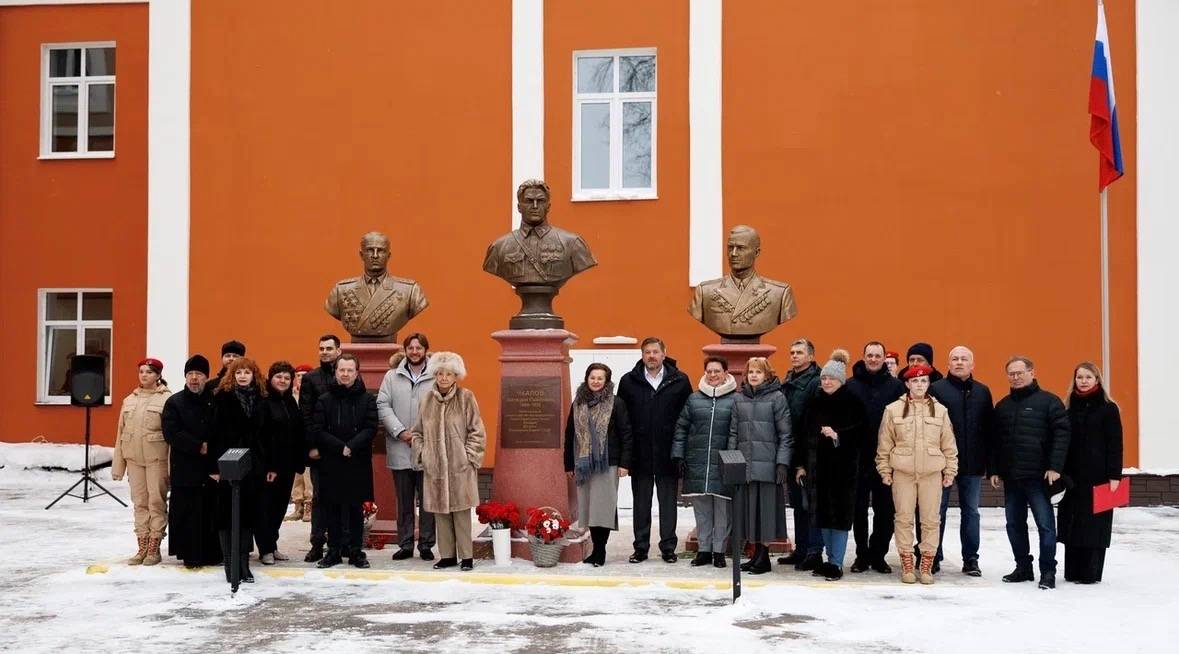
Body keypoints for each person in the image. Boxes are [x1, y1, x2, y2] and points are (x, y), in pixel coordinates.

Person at [992, 355, 1071, 589]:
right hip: (1012, 477)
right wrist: (994, 469)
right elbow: (995, 441)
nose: (1016, 377)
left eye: (1020, 373)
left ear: (1032, 373)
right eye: (1011, 374)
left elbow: (1062, 435)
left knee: (1045, 526)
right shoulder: (1003, 406)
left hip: (1039, 478)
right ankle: (1023, 567)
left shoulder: (1049, 402)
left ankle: (1048, 571)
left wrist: (1055, 466)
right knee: (1014, 525)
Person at [877, 365, 959, 584]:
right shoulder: (893, 409)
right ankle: (906, 561)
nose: (920, 385)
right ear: (907, 384)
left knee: (931, 520)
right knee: (903, 518)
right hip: (903, 473)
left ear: (928, 384)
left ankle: (926, 565)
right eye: (915, 381)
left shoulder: (940, 410)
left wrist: (950, 471)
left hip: (931, 473)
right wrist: (885, 470)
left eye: (923, 381)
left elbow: (948, 444)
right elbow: (885, 444)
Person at [617, 337, 692, 564]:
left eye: (655, 352)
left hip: (668, 454)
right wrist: (625, 456)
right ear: (642, 355)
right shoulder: (628, 381)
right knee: (641, 505)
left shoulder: (680, 380)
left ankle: (668, 548)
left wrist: (682, 451)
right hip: (639, 454)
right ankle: (640, 548)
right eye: (647, 352)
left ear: (664, 354)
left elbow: (687, 417)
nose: (651, 356)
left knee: (668, 505)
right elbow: (623, 420)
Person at [412, 352, 487, 571]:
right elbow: (417, 432)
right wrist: (424, 454)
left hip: (459, 467)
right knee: (441, 514)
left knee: (461, 513)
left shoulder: (466, 397)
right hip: (434, 468)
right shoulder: (426, 400)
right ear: (435, 375)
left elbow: (477, 430)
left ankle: (467, 556)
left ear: (456, 376)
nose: (444, 378)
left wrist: (468, 456)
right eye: (440, 373)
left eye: (449, 374)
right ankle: (447, 556)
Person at [795, 350, 865, 581]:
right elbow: (803, 436)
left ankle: (837, 562)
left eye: (831, 378)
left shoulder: (852, 402)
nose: (826, 382)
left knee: (840, 519)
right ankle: (828, 560)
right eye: (824, 378)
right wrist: (800, 465)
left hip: (843, 471)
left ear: (840, 380)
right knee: (822, 516)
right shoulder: (815, 402)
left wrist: (837, 435)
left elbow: (861, 434)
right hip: (817, 470)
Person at [928, 346, 994, 577]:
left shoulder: (983, 392)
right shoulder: (936, 389)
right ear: (948, 364)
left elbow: (989, 430)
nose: (959, 362)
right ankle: (933, 556)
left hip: (973, 464)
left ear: (972, 364)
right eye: (954, 359)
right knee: (937, 511)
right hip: (941, 464)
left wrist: (991, 465)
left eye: (964, 359)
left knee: (971, 512)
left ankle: (971, 559)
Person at [1058, 362, 1123, 584]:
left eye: (1088, 377)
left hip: (1099, 476)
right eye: (1079, 377)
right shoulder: (1068, 407)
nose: (1083, 381)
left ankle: (1090, 573)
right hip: (1072, 477)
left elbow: (1115, 444)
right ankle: (1072, 571)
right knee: (1073, 522)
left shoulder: (1108, 408)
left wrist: (1114, 476)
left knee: (1095, 525)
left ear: (1097, 380)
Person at [311, 353, 378, 569]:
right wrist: (341, 447)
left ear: (357, 373)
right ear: (336, 372)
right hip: (332, 461)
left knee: (356, 508)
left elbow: (371, 427)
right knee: (332, 507)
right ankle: (334, 551)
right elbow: (318, 429)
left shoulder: (367, 399)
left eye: (350, 370)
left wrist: (352, 446)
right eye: (342, 370)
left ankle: (356, 551)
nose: (346, 374)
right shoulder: (324, 399)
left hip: (357, 461)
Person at [210, 357, 273, 584]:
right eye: (238, 372)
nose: (243, 376)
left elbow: (268, 435)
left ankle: (244, 565)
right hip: (228, 463)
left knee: (248, 515)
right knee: (227, 516)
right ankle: (230, 564)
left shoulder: (263, 398)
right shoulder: (222, 397)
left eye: (247, 372)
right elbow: (214, 434)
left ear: (254, 375)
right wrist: (214, 467)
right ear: (232, 375)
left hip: (254, 466)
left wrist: (269, 465)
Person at [844, 341, 905, 574]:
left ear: (883, 358)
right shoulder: (850, 386)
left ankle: (878, 555)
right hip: (857, 458)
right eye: (869, 355)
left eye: (877, 356)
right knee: (858, 510)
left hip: (886, 460)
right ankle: (861, 555)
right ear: (863, 357)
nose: (873, 359)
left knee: (885, 510)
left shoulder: (896, 387)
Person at [376, 332, 437, 561]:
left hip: (427, 447)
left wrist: (422, 434)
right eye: (410, 348)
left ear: (425, 350)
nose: (414, 352)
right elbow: (383, 405)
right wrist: (400, 431)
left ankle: (426, 544)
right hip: (400, 447)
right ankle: (405, 544)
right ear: (405, 351)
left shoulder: (436, 375)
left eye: (418, 348)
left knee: (428, 501)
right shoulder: (392, 376)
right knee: (404, 501)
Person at [565, 363, 633, 567]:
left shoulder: (616, 403)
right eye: (592, 377)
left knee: (602, 508)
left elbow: (626, 434)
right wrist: (569, 464)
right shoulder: (578, 403)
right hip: (584, 464)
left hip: (608, 463)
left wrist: (624, 464)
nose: (595, 381)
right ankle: (596, 550)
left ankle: (600, 550)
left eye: (600, 378)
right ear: (587, 378)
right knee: (589, 508)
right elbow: (570, 434)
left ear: (606, 381)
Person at [729, 357, 791, 575]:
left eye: (758, 371)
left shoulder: (777, 398)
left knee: (765, 512)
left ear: (767, 375)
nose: (754, 375)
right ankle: (755, 554)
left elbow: (786, 434)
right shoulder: (739, 399)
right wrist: (732, 461)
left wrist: (782, 462)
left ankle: (764, 557)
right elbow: (733, 432)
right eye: (751, 372)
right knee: (749, 512)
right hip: (745, 466)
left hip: (768, 466)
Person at [672, 357, 736, 569]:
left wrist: (734, 459)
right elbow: (682, 428)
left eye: (717, 371)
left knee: (723, 511)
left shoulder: (736, 400)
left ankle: (719, 551)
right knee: (702, 511)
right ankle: (704, 550)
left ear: (726, 373)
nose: (713, 375)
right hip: (698, 462)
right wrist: (679, 455)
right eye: (709, 371)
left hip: (723, 463)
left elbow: (738, 432)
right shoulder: (694, 399)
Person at [111, 358, 172, 566]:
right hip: (134, 459)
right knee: (139, 503)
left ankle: (154, 547)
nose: (144, 375)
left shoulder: (167, 399)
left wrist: (172, 468)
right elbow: (120, 433)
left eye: (149, 372)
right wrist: (118, 466)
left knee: (156, 502)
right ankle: (142, 546)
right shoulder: (129, 400)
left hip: (157, 460)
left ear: (158, 375)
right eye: (141, 372)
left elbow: (170, 437)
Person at [162, 355, 221, 568]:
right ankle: (190, 555)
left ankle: (213, 554)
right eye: (190, 374)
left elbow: (222, 431)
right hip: (185, 468)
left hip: (211, 468)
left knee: (209, 512)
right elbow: (171, 432)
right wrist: (198, 445)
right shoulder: (174, 402)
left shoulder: (215, 401)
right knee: (188, 514)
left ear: (206, 377)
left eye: (199, 374)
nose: (194, 378)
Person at [255, 361, 306, 565]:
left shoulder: (290, 401)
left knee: (279, 508)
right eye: (279, 377)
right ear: (271, 378)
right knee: (266, 508)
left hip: (288, 465)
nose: (283, 381)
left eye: (286, 377)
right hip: (270, 468)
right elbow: (261, 437)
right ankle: (265, 549)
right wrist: (269, 466)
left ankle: (272, 545)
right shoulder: (264, 401)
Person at [778, 338, 823, 568]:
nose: (794, 356)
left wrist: (804, 462)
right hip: (792, 451)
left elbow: (812, 423)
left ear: (811, 356)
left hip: (809, 454)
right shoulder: (788, 381)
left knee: (811, 505)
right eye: (792, 352)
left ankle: (814, 552)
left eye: (799, 352)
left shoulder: (816, 382)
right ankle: (802, 549)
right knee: (798, 503)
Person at [299, 334, 341, 562]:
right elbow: (305, 415)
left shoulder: (347, 373)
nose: (324, 352)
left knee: (343, 496)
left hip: (343, 449)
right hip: (320, 450)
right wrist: (312, 446)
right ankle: (317, 543)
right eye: (321, 348)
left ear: (338, 351)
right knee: (320, 498)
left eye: (329, 348)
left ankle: (341, 543)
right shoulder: (311, 378)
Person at [286, 363, 314, 522]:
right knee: (296, 475)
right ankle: (298, 505)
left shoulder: (311, 394)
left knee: (308, 475)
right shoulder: (290, 395)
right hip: (294, 441)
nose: (301, 379)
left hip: (307, 439)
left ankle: (309, 505)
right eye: (298, 376)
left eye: (304, 376)